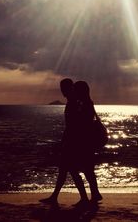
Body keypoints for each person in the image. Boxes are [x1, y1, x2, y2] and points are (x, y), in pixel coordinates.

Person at [40, 78, 88, 206]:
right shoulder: (73, 102)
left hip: (72, 142)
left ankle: (83, 198)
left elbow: (72, 126)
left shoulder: (73, 103)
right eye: (62, 88)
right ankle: (55, 196)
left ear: (69, 88)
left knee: (70, 170)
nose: (63, 91)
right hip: (72, 141)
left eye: (64, 88)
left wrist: (66, 142)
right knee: (64, 170)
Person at [73, 81, 102, 202]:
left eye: (76, 89)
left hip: (85, 141)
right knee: (88, 169)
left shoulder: (85, 104)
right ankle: (95, 194)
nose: (74, 92)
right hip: (87, 141)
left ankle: (92, 195)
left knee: (79, 168)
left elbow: (83, 123)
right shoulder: (87, 103)